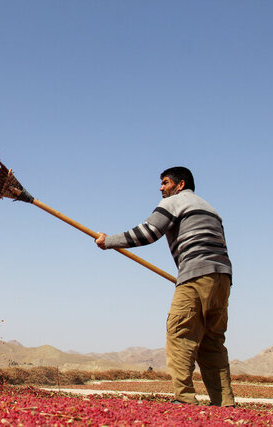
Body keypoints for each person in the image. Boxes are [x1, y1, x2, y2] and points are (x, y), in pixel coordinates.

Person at [95, 166, 235, 407]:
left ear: (180, 185)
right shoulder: (211, 209)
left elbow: (147, 233)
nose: (161, 187)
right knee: (212, 342)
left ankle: (185, 399)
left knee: (180, 334)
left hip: (195, 276)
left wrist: (109, 241)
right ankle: (224, 403)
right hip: (222, 277)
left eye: (165, 182)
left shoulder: (176, 202)